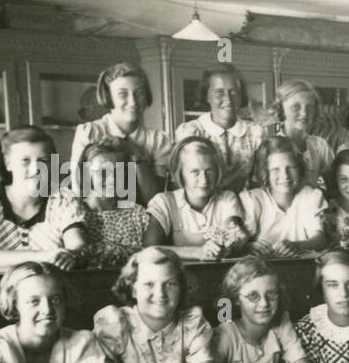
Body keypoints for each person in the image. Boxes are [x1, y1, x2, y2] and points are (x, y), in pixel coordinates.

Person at [93, 247, 216, 363]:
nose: (160, 294)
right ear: (133, 290)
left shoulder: (191, 322)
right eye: (149, 284)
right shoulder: (114, 323)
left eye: (170, 284)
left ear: (182, 288)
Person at [0, 126, 88, 270]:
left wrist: (71, 255)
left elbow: (77, 246)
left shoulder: (63, 199)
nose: (35, 169)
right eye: (25, 160)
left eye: (43, 160)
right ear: (8, 163)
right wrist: (41, 256)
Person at [0, 261, 111, 363]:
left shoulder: (82, 342)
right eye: (34, 301)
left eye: (55, 300)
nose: (47, 310)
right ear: (15, 305)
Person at [211, 256, 316, 363]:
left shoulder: (281, 324)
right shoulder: (226, 333)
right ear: (236, 299)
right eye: (253, 296)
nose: (264, 304)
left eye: (271, 294)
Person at [71, 62, 170, 202]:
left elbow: (156, 201)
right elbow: (79, 192)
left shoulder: (158, 140)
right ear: (108, 97)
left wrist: (134, 151)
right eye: (122, 94)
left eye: (139, 92)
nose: (133, 101)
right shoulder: (90, 132)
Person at [144, 137, 250, 260]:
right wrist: (197, 252)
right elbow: (149, 249)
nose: (204, 180)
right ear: (180, 173)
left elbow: (230, 233)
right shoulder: (164, 202)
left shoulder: (226, 198)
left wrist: (236, 240)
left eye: (209, 171)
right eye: (195, 172)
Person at [175, 64, 266, 193]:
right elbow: (182, 184)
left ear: (241, 96)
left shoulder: (255, 133)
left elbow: (258, 183)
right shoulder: (190, 132)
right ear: (207, 96)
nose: (228, 99)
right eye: (219, 93)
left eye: (234, 92)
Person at [239, 136, 331, 256]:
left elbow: (320, 239)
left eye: (290, 167)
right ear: (265, 172)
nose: (285, 175)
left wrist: (298, 246)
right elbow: (237, 244)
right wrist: (248, 247)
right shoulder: (253, 200)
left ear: (299, 168)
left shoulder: (309, 196)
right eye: (275, 169)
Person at [72, 137, 151, 266]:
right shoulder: (73, 213)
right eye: (102, 173)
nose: (112, 180)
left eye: (118, 172)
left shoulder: (137, 213)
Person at [267, 80, 338, 188]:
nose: (304, 113)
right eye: (296, 107)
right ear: (281, 108)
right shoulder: (271, 147)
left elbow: (334, 182)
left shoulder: (319, 146)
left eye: (310, 107)